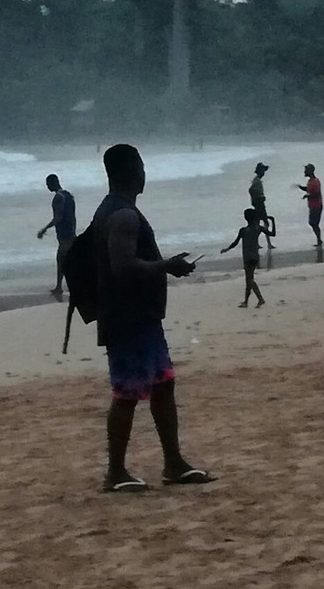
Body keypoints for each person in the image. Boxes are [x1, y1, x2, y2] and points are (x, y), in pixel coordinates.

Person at [93, 144, 212, 492]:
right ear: (131, 170)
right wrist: (168, 266)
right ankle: (115, 472)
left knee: (163, 383)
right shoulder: (124, 215)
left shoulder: (114, 211)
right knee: (127, 393)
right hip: (128, 319)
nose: (145, 172)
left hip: (140, 318)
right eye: (142, 166)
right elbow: (123, 266)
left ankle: (173, 462)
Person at [220, 208, 276, 307]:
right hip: (255, 256)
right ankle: (246, 302)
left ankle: (260, 299)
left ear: (245, 218)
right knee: (248, 280)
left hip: (247, 257)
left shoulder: (243, 230)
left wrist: (226, 249)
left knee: (249, 280)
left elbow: (235, 243)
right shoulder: (258, 228)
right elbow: (273, 234)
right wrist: (272, 221)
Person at [37, 174, 77, 300]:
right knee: (67, 260)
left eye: (48, 184)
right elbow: (72, 216)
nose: (47, 187)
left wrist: (44, 229)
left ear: (54, 183)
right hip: (70, 233)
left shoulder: (58, 198)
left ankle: (60, 287)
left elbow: (58, 218)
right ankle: (63, 286)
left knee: (62, 260)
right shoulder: (69, 195)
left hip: (65, 235)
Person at [248, 162, 275, 249]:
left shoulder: (257, 180)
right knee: (264, 223)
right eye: (262, 171)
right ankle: (268, 243)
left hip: (259, 203)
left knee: (258, 223)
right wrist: (257, 199)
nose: (263, 173)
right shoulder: (257, 181)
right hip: (259, 204)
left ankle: (258, 243)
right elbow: (251, 190)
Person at [296, 164, 323, 246]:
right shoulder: (310, 181)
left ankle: (319, 240)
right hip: (313, 205)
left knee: (313, 223)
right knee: (313, 223)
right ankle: (319, 240)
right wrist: (301, 188)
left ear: (310, 171)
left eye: (306, 170)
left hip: (317, 205)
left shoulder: (315, 181)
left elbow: (317, 193)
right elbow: (309, 189)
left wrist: (307, 195)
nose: (304, 172)